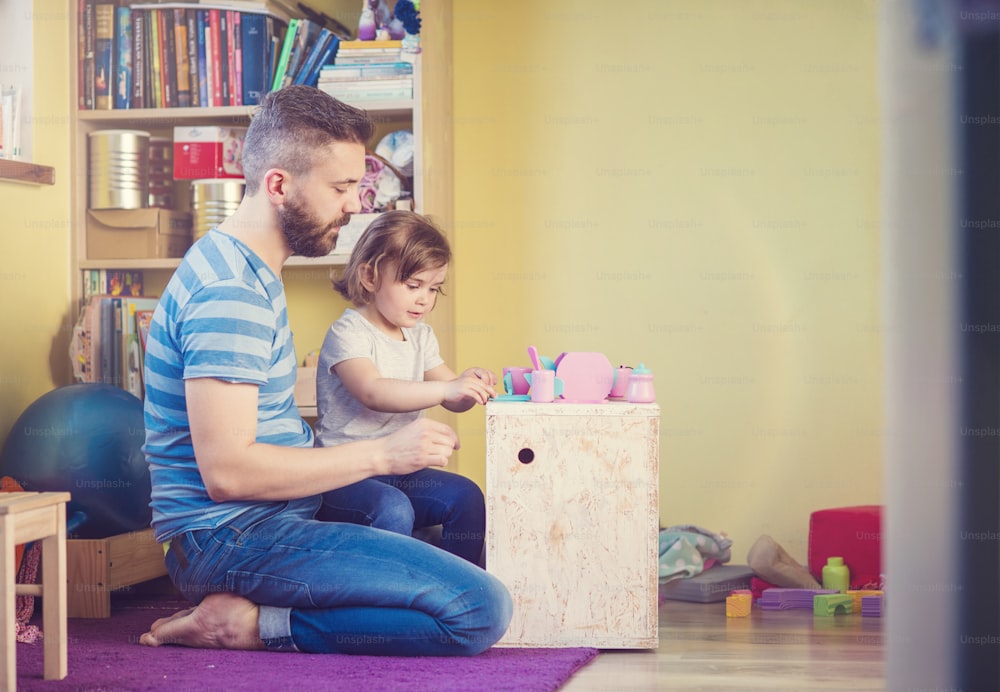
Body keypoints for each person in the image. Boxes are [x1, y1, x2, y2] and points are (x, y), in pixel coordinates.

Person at [139, 85, 512, 655]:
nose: (357, 205)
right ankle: (251, 626)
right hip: (229, 535)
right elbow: (229, 475)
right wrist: (387, 454)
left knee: (433, 509)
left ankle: (283, 609)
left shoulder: (248, 272)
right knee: (479, 608)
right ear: (280, 186)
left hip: (275, 511)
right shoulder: (229, 294)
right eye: (341, 188)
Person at [314, 211, 496, 565]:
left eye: (433, 288)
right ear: (369, 275)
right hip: (345, 475)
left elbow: (450, 393)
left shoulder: (420, 336)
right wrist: (447, 390)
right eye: (413, 286)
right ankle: (392, 597)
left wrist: (468, 386)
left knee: (467, 496)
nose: (424, 299)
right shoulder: (348, 333)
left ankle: (454, 588)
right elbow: (373, 392)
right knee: (391, 509)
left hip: (403, 472)